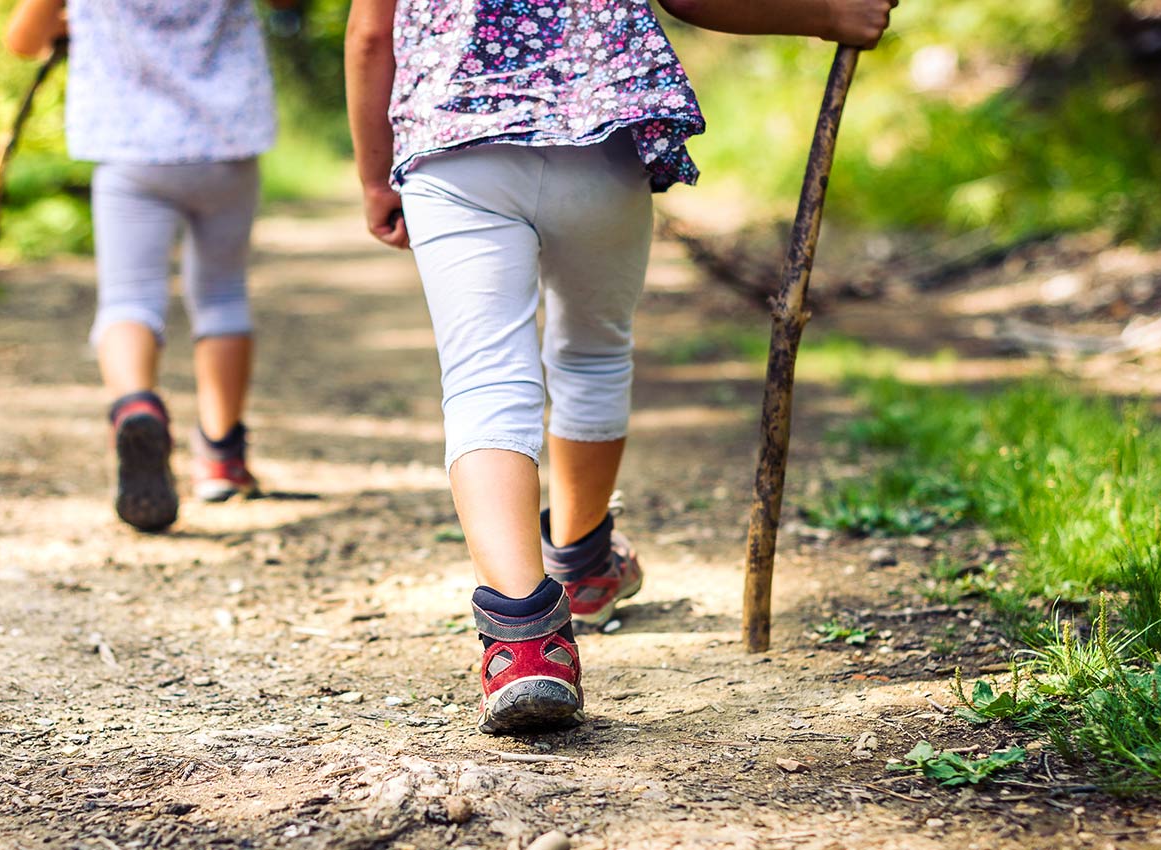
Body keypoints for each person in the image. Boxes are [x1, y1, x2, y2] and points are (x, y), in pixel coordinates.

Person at [344, 0, 897, 733]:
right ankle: (580, 560)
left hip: (455, 144)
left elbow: (370, 35)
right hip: (596, 134)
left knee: (484, 379)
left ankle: (524, 643)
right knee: (593, 352)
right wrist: (828, 14)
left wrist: (375, 176)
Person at [5, 0, 296, 532]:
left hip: (130, 150)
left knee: (128, 299)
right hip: (226, 145)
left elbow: (24, 39)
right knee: (223, 296)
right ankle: (221, 459)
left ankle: (137, 407)